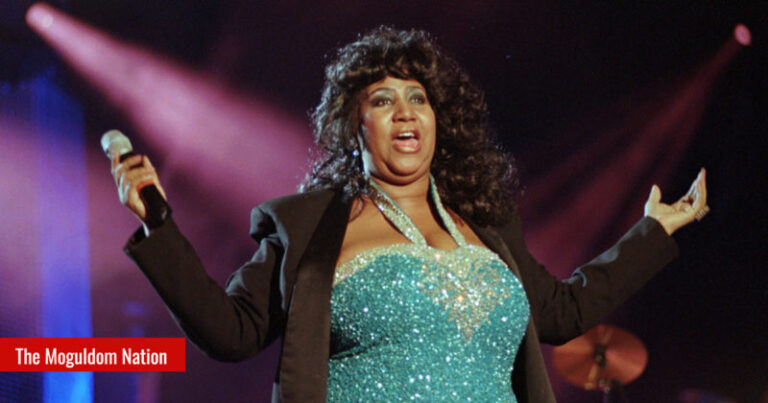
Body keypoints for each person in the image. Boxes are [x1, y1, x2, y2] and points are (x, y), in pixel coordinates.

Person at [112, 27, 708, 403]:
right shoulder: (308, 226)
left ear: (437, 120)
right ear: (355, 126)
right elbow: (231, 332)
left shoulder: (486, 227)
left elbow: (562, 312)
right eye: (382, 99)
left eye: (418, 98)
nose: (405, 112)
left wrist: (654, 231)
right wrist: (158, 228)